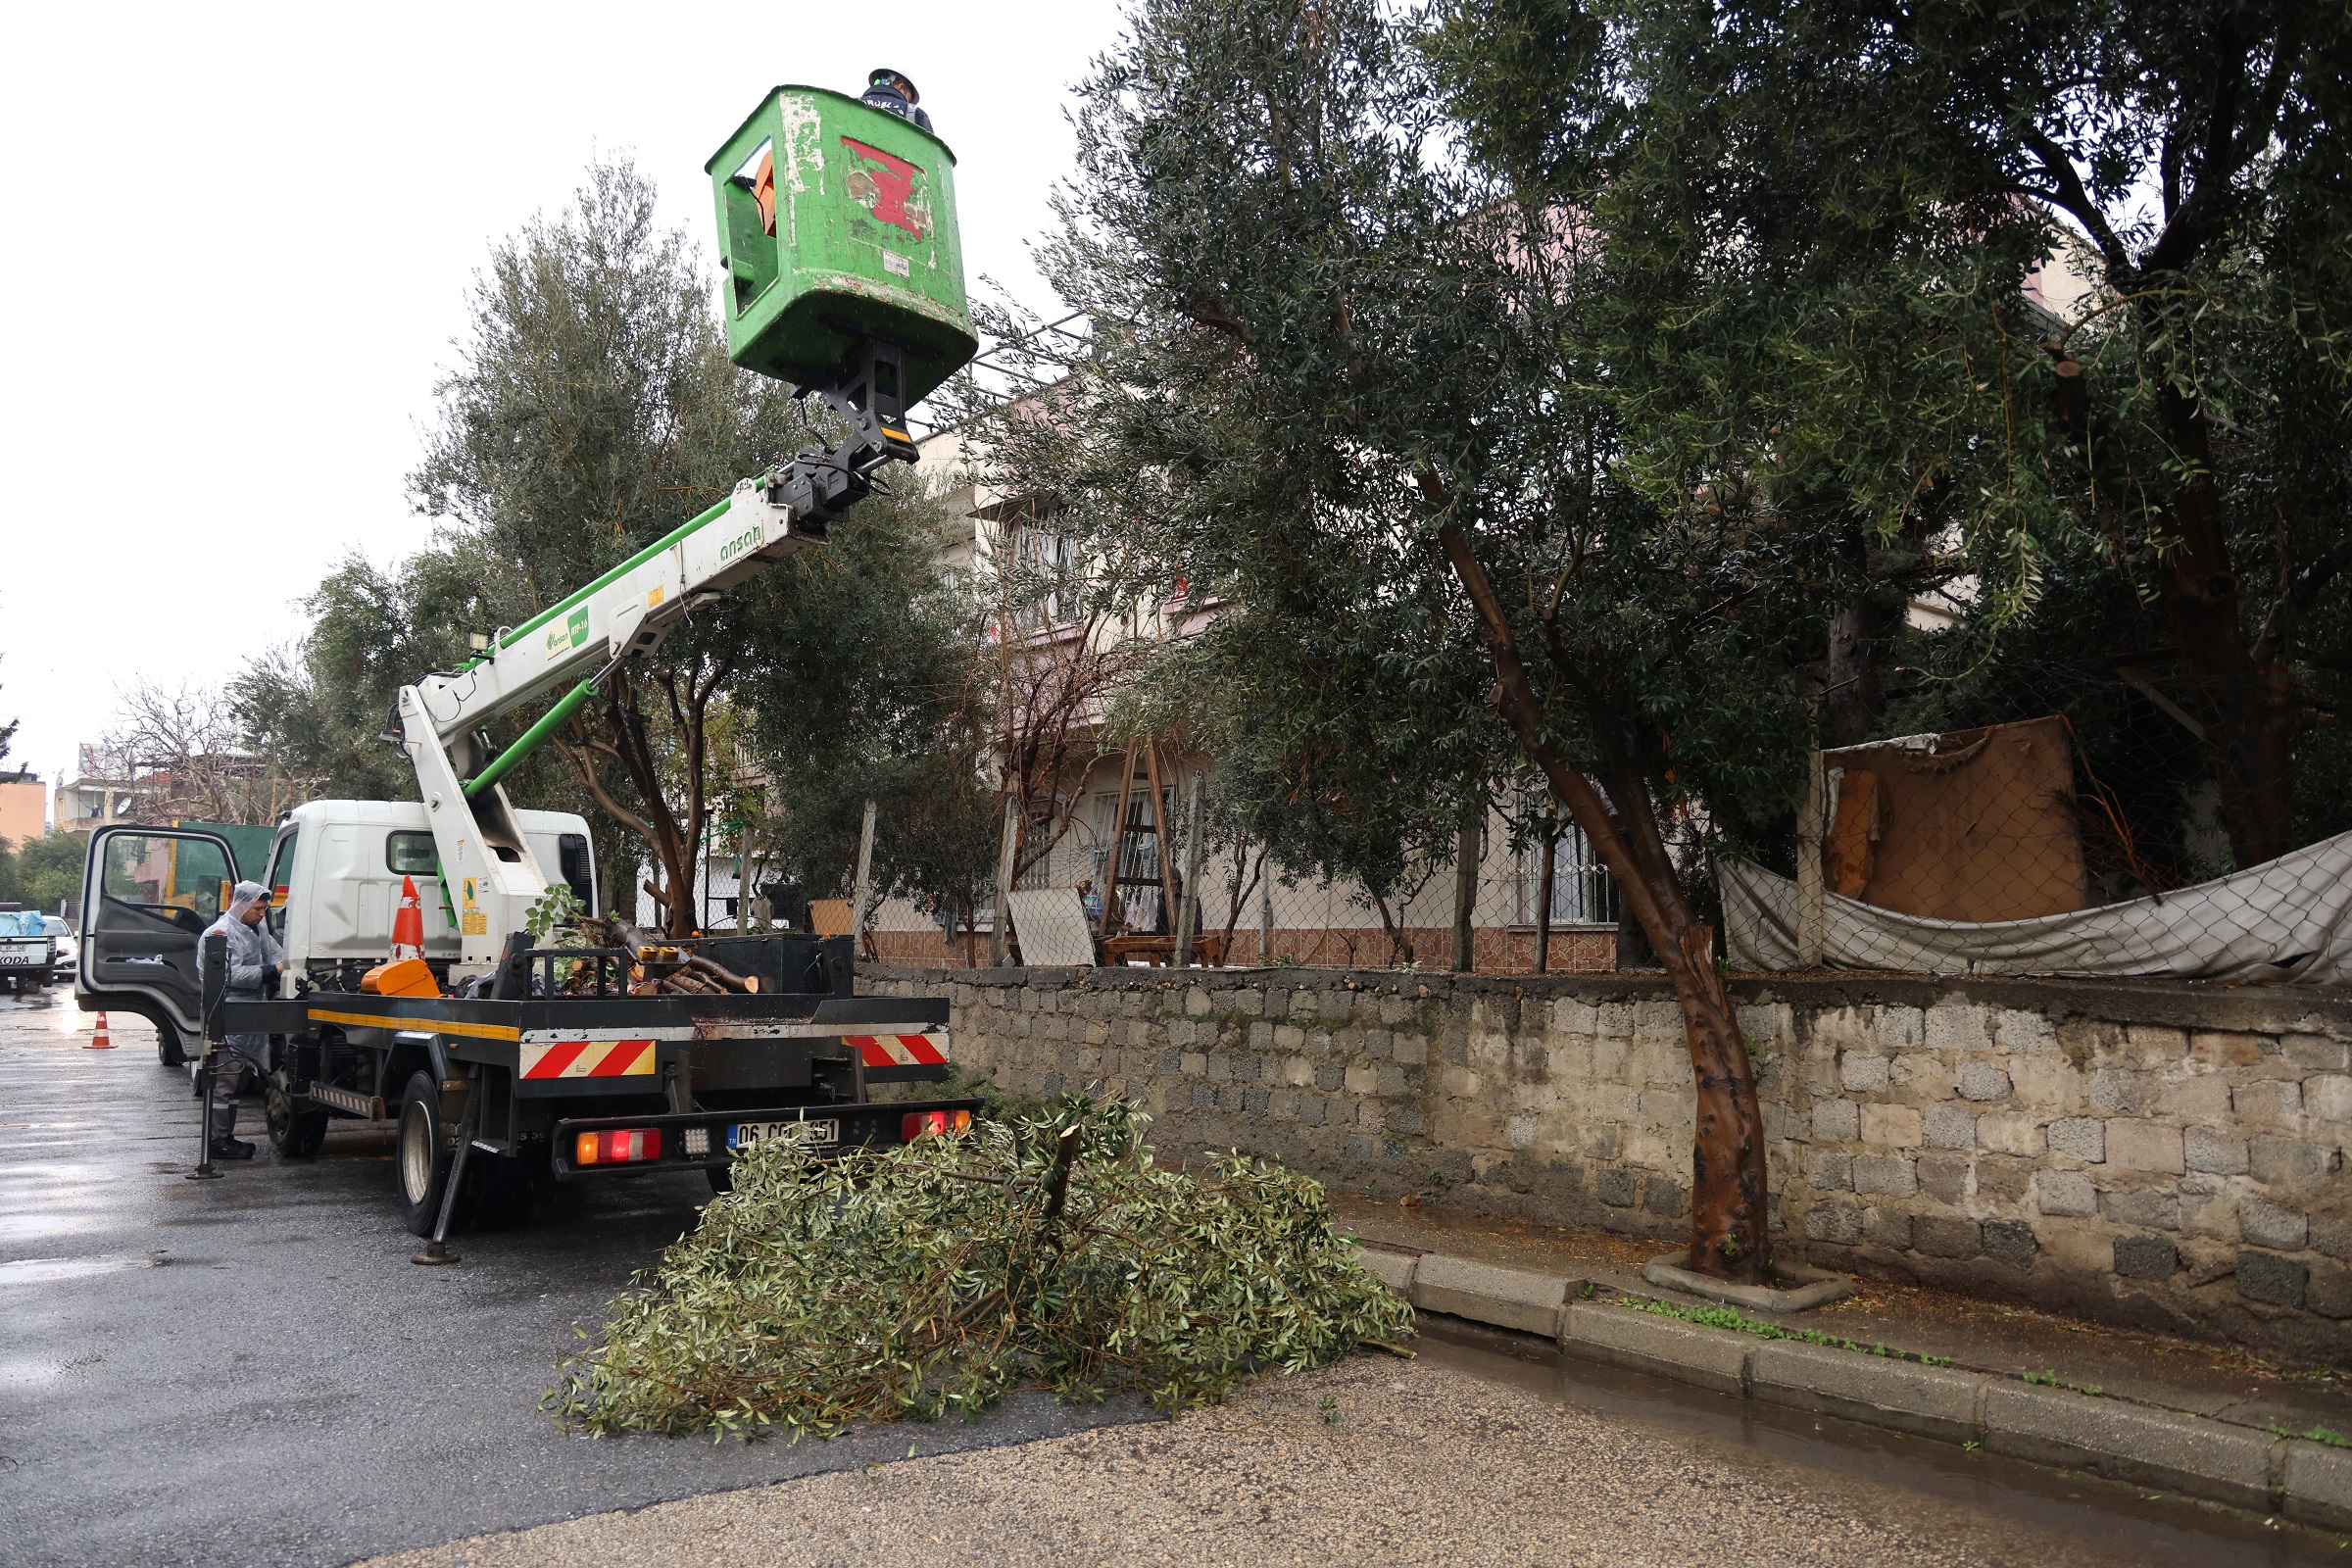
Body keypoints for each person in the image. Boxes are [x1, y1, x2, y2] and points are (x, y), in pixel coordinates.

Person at [194, 881, 283, 1160]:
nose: (262, 913)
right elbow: (228, 975)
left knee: (236, 1083)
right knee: (222, 1083)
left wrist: (287, 966)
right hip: (227, 1015)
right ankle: (215, 1141)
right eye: (258, 908)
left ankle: (224, 1136)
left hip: (250, 1017)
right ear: (242, 904)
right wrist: (272, 972)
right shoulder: (221, 933)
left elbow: (277, 955)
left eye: (264, 908)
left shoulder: (256, 929)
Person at [860, 68, 933, 132]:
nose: (908, 103)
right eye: (909, 98)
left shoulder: (855, 103)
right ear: (900, 86)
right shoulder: (913, 112)